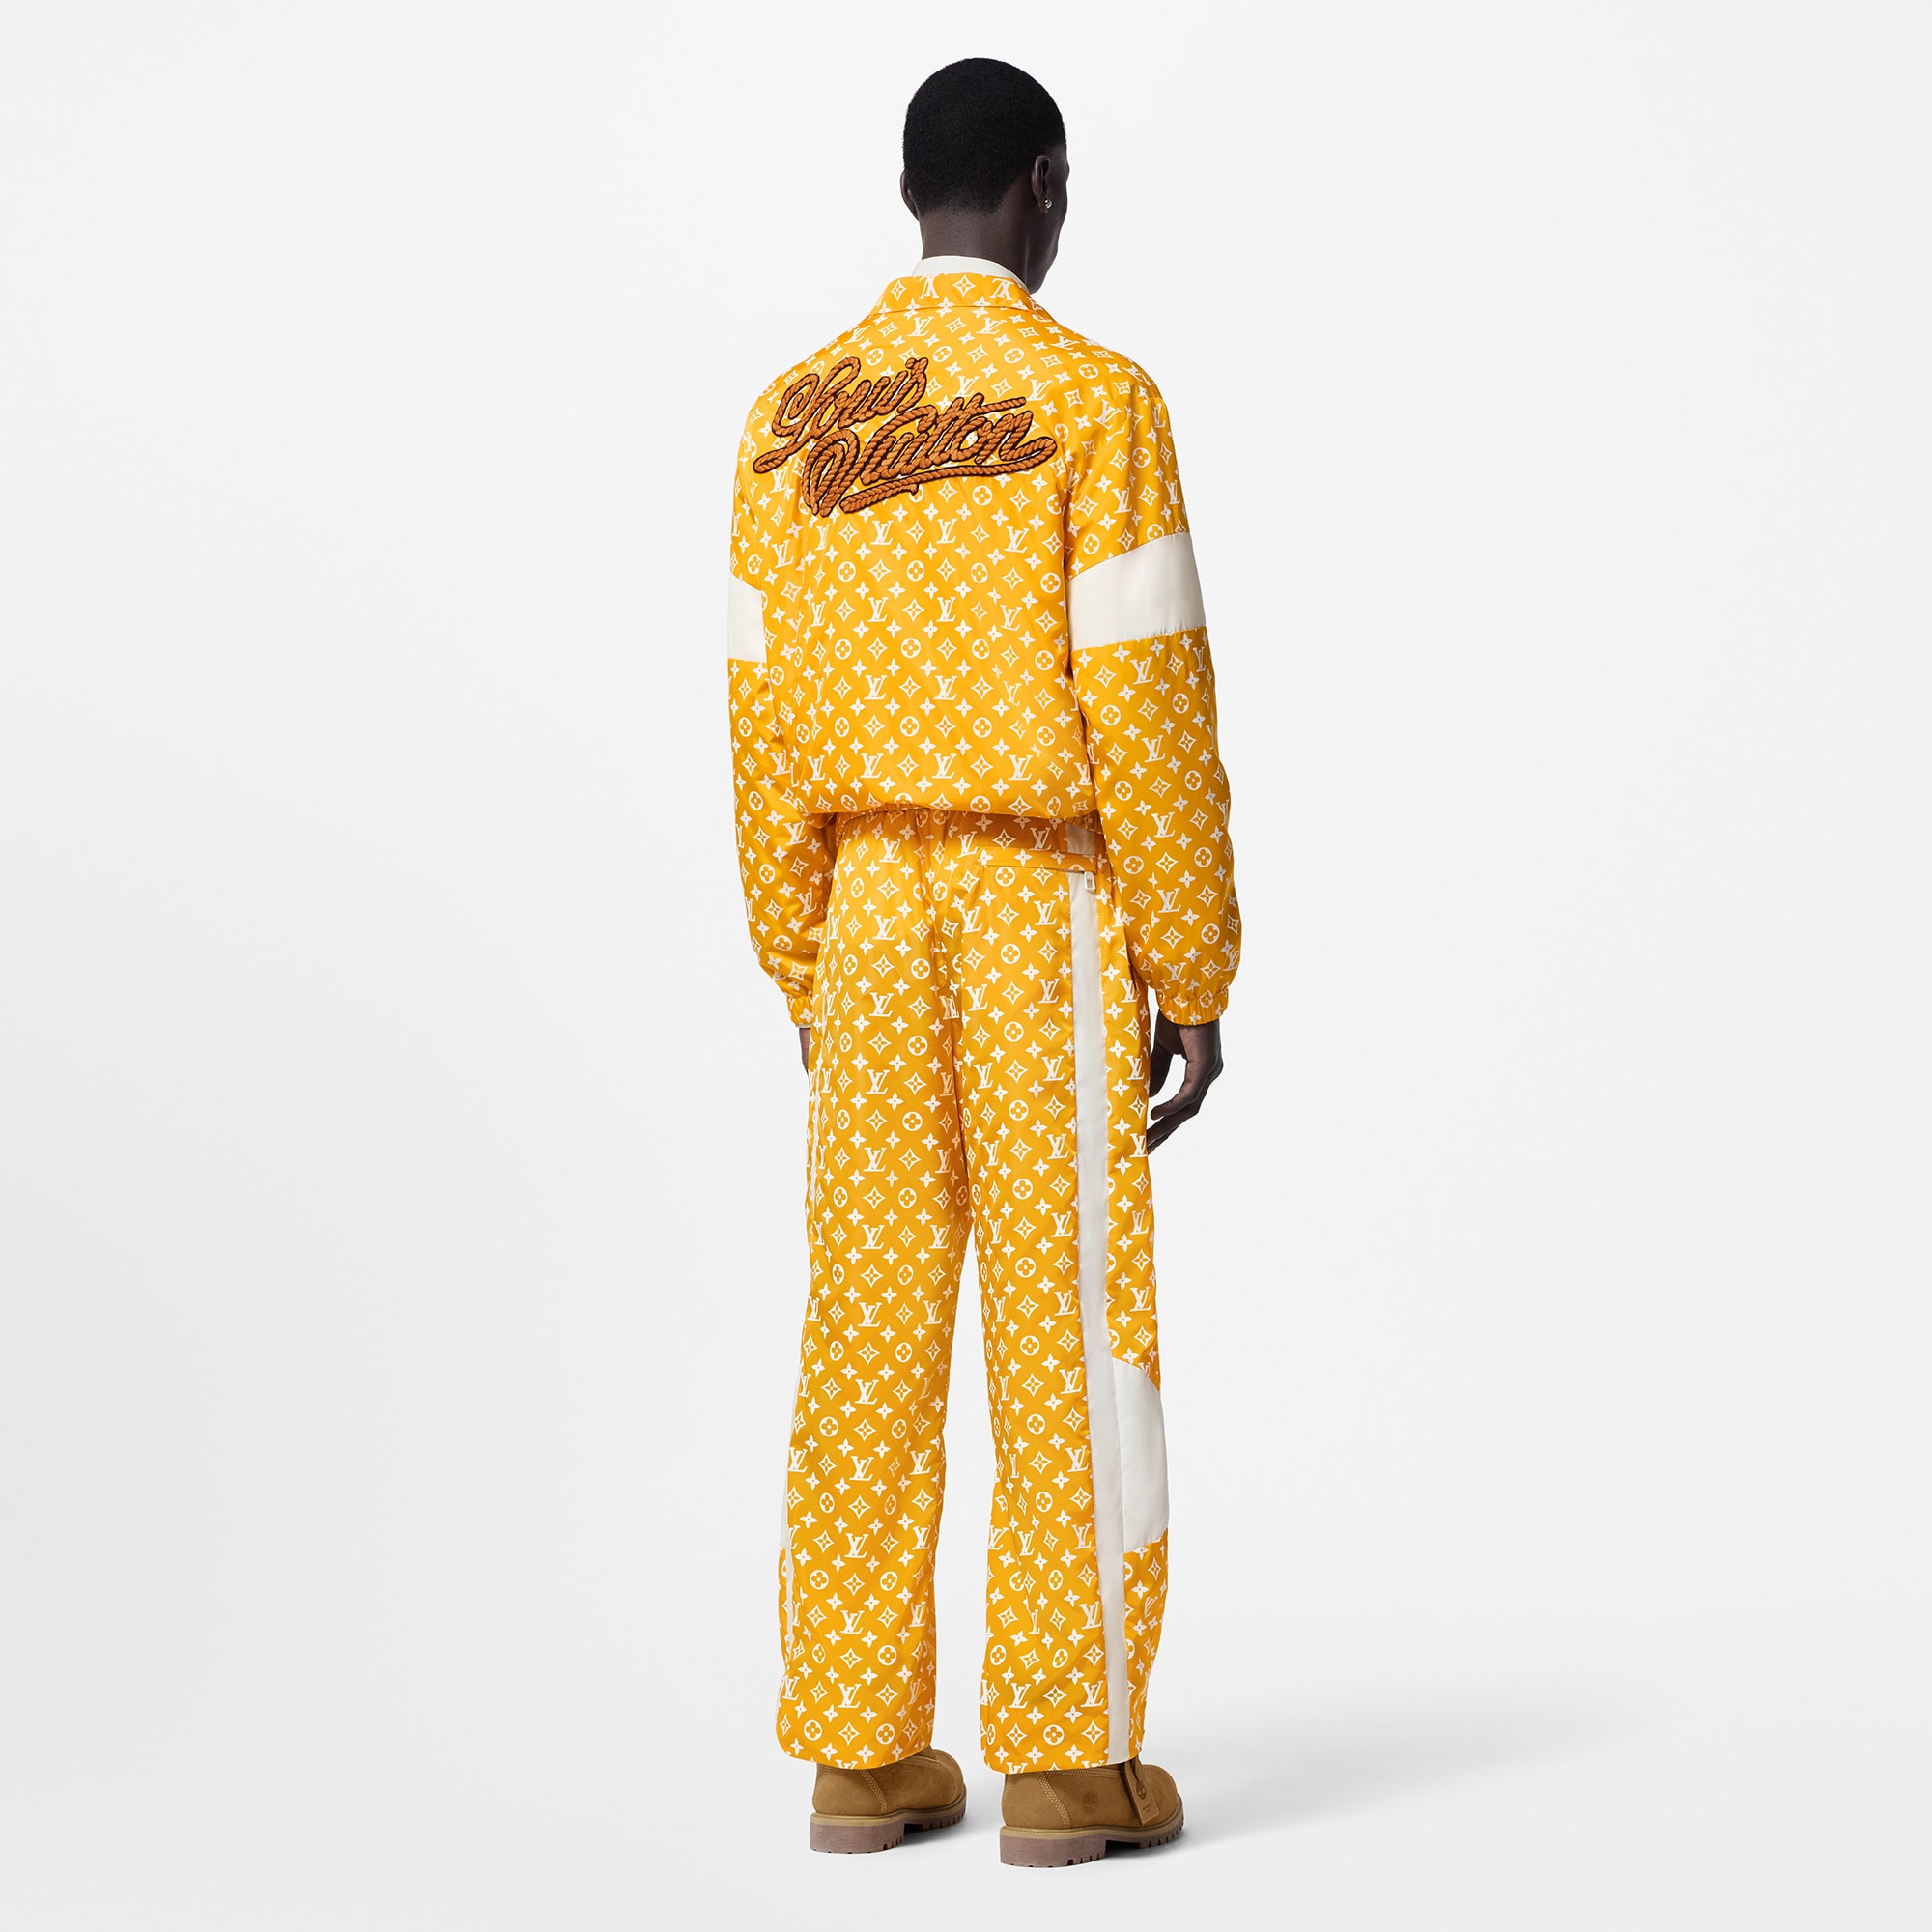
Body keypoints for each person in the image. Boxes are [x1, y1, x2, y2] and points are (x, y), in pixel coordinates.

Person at [726, 56, 1239, 1868]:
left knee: (866, 1324)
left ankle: (860, 1754)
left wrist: (805, 960)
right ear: (1045, 184)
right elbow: (1147, 695)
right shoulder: (1098, 400)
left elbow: (760, 715)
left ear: (905, 192)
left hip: (865, 915)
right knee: (1067, 1320)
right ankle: (1069, 1761)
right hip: (1046, 917)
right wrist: (1192, 962)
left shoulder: (792, 419)